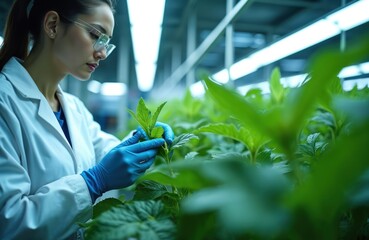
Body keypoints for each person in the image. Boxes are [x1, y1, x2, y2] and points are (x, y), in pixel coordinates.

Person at [0, 0, 174, 239]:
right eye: (95, 35)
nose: (102, 53)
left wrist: (143, 140)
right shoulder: (4, 102)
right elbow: (8, 222)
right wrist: (92, 183)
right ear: (52, 25)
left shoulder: (75, 109)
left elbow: (106, 150)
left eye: (106, 43)